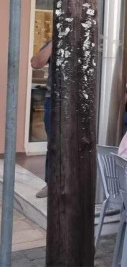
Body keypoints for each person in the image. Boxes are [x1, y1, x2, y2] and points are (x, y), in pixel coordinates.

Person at [30, 39, 53, 198]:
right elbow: (36, 63)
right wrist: (54, 42)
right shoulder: (53, 42)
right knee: (54, 145)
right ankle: (51, 184)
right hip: (54, 101)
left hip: (78, 103)